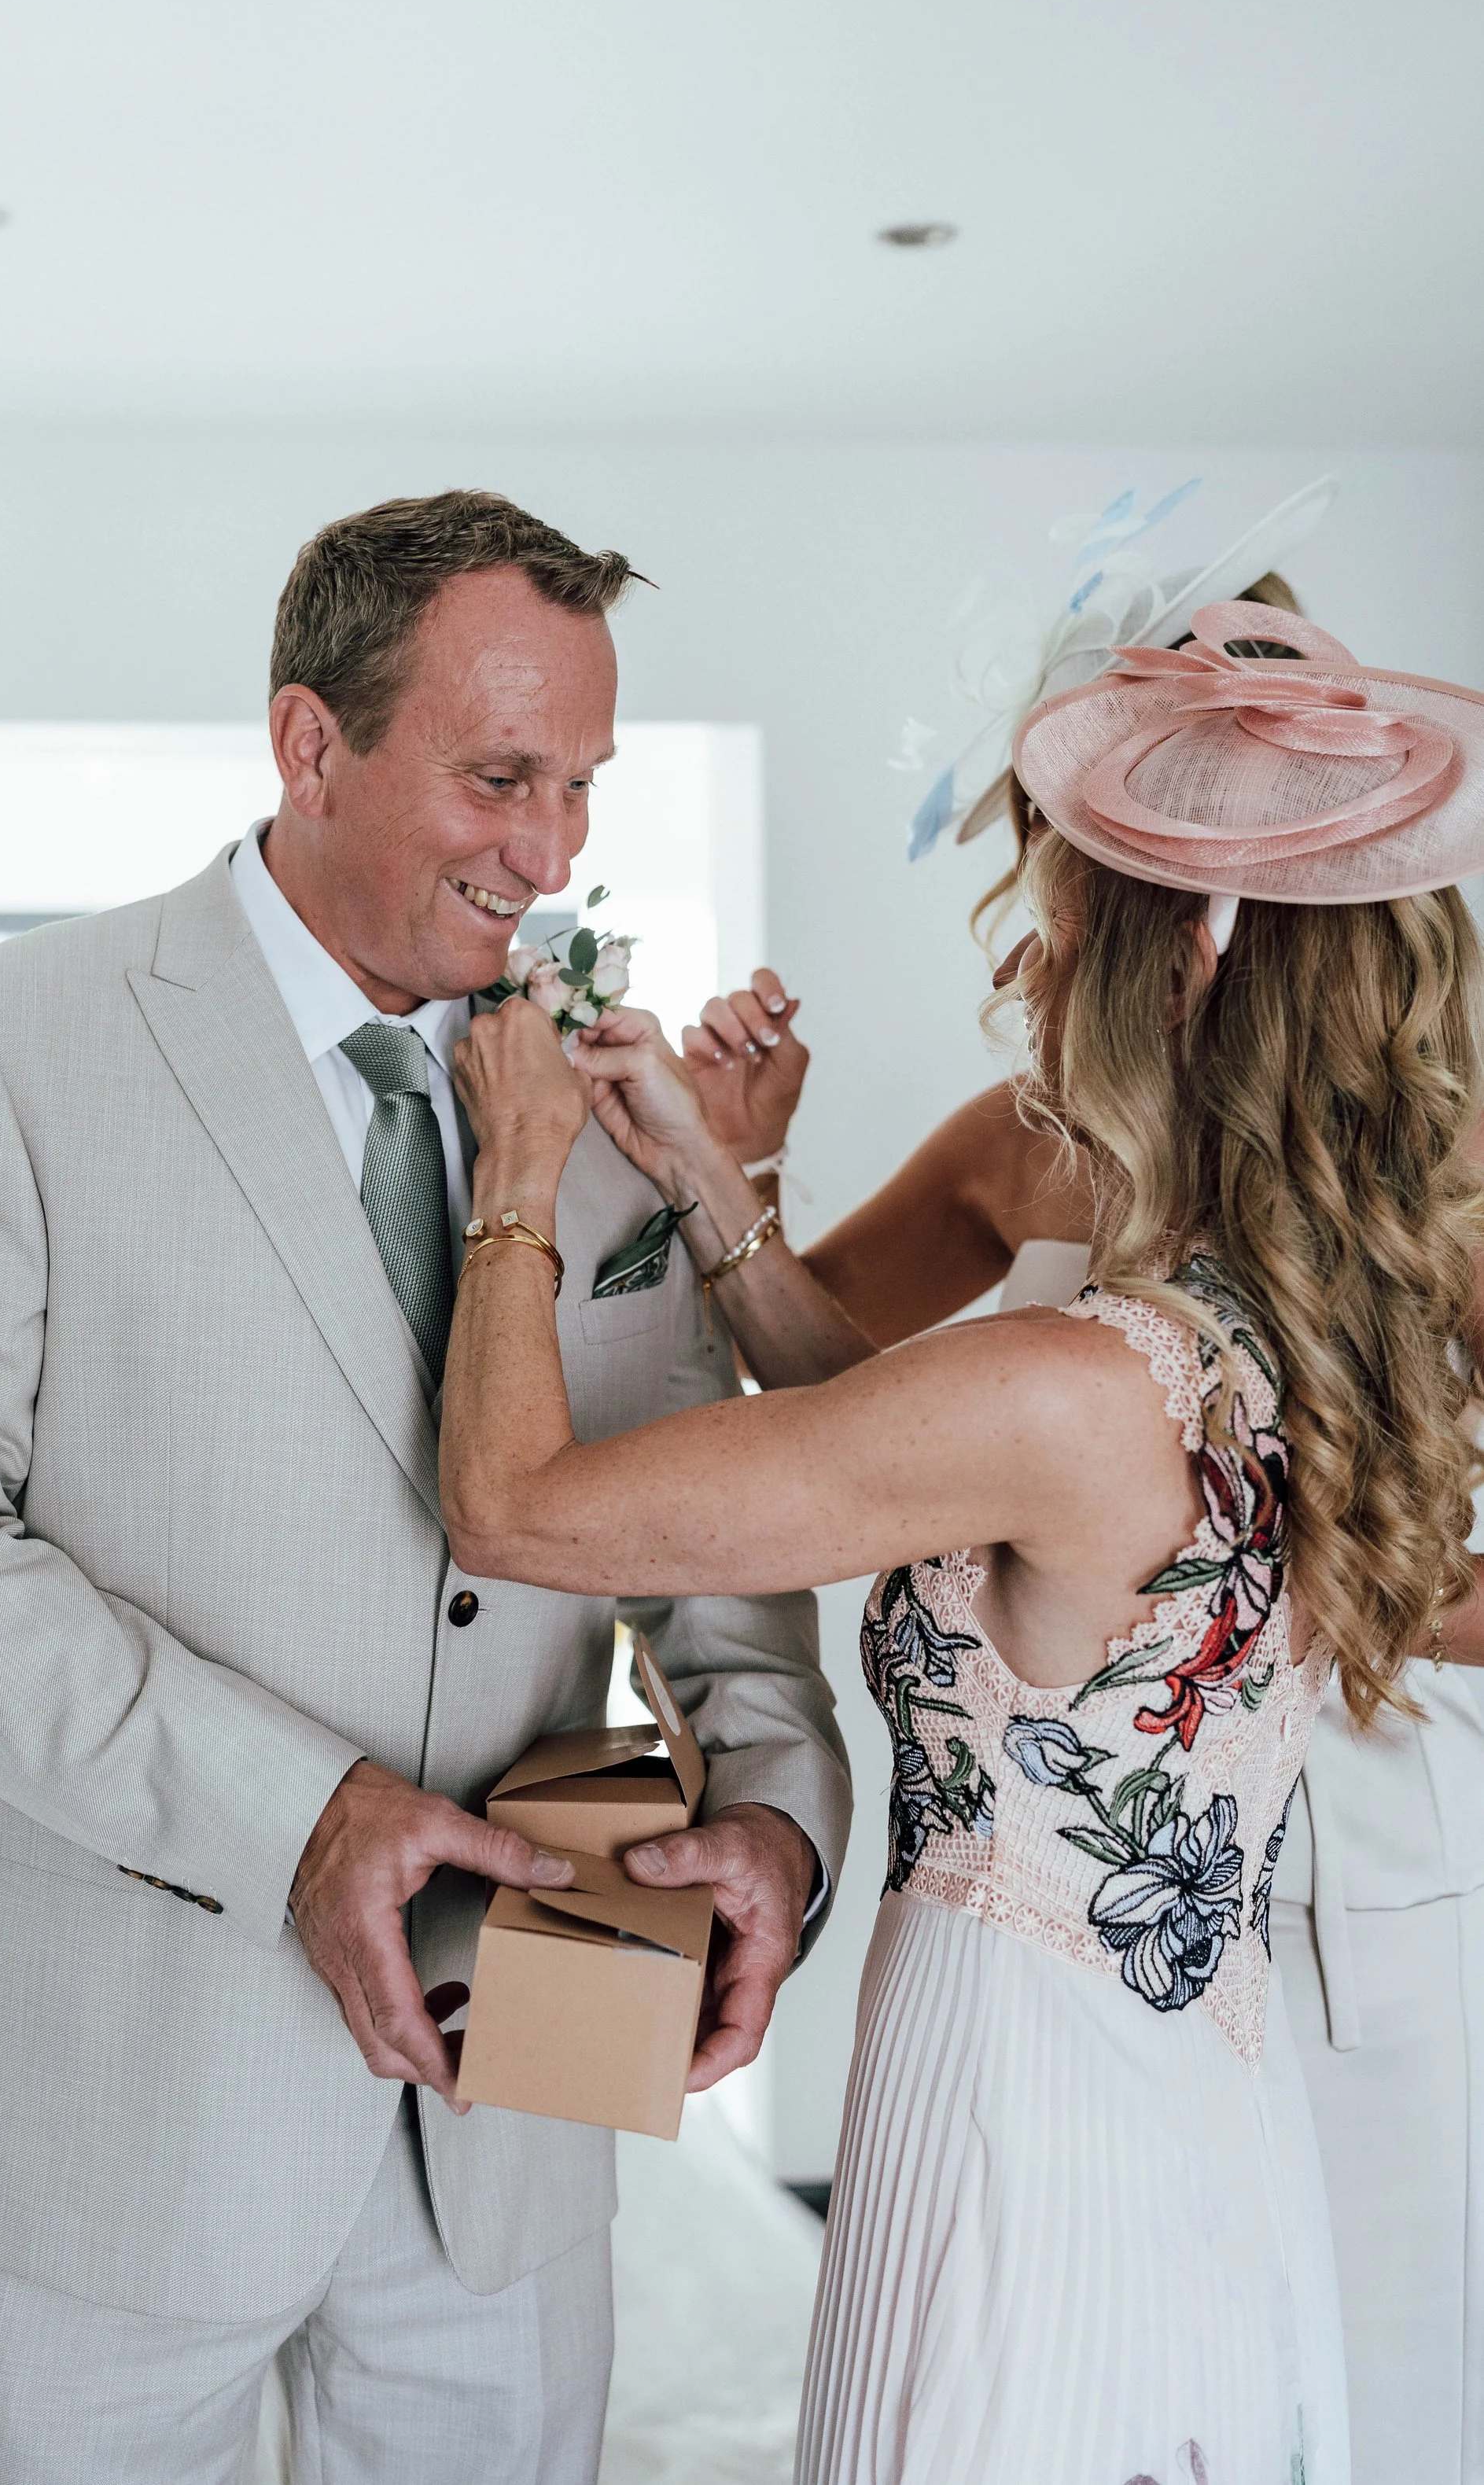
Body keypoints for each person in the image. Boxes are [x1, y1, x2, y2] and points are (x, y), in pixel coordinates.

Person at [0, 490, 852, 2485]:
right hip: (102, 2124)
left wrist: (781, 1829)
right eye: (501, 776)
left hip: (515, 2124)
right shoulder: (6, 1044)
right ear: (308, 740)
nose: (551, 853)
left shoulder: (612, 1117)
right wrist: (301, 1818)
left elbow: (723, 1560)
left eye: (585, 785)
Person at [440, 595, 1484, 2482]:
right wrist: (706, 1169)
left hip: (1058, 2079)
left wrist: (517, 1168)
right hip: (1172, 2056)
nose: (1031, 942)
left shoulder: (1063, 1386)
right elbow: (895, 1449)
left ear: (1186, 943)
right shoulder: (1217, 1332)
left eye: (1065, 896)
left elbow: (515, 1507)